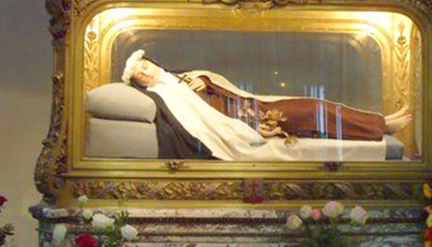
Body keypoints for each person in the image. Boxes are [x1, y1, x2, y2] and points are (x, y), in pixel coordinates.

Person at [122, 50, 411, 161]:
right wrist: (250, 129)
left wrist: (205, 80)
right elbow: (203, 124)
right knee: (313, 112)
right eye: (140, 75)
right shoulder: (166, 95)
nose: (146, 72)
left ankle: (380, 123)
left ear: (153, 62)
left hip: (254, 105)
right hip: (253, 118)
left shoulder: (180, 76)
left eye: (145, 66)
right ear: (140, 83)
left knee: (316, 106)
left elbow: (220, 84)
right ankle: (381, 126)